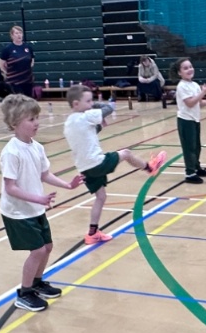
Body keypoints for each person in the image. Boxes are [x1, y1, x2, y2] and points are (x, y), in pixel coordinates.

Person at [0, 94, 81, 312]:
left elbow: (44, 174)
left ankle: (36, 282)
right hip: (18, 212)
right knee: (37, 250)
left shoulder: (37, 147)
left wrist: (68, 185)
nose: (37, 123)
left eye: (37, 118)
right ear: (15, 123)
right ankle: (24, 294)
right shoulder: (11, 152)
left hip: (35, 208)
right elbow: (11, 187)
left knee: (47, 247)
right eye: (31, 119)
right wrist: (39, 199)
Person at [63, 86, 168, 245]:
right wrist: (96, 107)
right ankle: (150, 167)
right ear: (76, 104)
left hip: (84, 168)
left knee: (101, 197)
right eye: (88, 101)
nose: (91, 104)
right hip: (97, 163)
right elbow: (108, 108)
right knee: (126, 153)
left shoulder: (69, 123)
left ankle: (92, 233)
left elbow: (88, 134)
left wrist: (99, 124)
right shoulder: (85, 116)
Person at [174, 58, 206, 184]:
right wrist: (203, 92)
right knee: (189, 148)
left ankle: (196, 167)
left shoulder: (194, 85)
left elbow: (199, 103)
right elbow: (190, 103)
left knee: (196, 147)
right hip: (185, 121)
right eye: (185, 68)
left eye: (190, 66)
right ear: (179, 72)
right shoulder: (182, 86)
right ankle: (190, 173)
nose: (189, 69)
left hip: (195, 120)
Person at [0, 25, 35, 96]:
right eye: (16, 33)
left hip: (27, 80)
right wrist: (7, 73)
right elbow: (1, 64)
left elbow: (32, 60)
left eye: (20, 33)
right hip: (14, 81)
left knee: (28, 99)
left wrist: (26, 70)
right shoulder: (7, 49)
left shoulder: (28, 47)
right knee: (18, 100)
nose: (19, 35)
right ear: (12, 35)